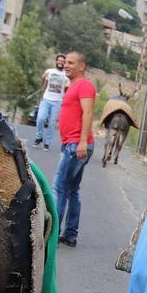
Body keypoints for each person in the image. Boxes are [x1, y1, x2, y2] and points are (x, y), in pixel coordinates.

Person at [54, 51, 96, 247]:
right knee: (72, 190)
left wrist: (82, 142)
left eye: (71, 62)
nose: (67, 65)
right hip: (72, 143)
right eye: (66, 62)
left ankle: (52, 234)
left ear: (82, 66)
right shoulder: (73, 86)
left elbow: (88, 113)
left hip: (76, 145)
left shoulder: (85, 85)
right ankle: (70, 234)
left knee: (60, 188)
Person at [34, 54, 69, 148]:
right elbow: (42, 85)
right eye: (59, 60)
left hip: (57, 102)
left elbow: (67, 89)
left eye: (63, 61)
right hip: (46, 99)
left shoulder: (66, 75)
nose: (60, 62)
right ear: (56, 61)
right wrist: (42, 78)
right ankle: (39, 137)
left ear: (64, 63)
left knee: (51, 123)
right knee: (40, 119)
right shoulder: (49, 71)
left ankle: (47, 142)